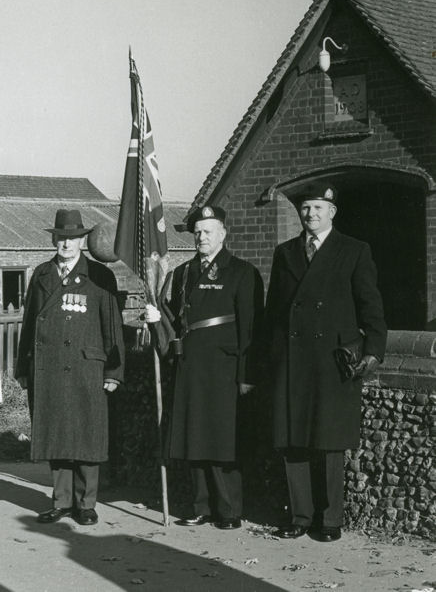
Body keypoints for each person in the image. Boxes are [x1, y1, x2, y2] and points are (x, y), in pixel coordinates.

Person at [265, 182, 386, 542]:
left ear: (332, 212)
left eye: (318, 208)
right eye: (305, 208)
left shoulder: (353, 250)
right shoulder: (285, 252)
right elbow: (274, 313)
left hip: (333, 362)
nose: (310, 214)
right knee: (293, 440)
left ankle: (330, 519)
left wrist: (373, 352)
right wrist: (270, 360)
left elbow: (371, 307)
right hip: (292, 361)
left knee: (329, 442)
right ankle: (300, 517)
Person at [145, 205, 263, 529]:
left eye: (208, 231)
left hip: (224, 368)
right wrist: (156, 319)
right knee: (194, 437)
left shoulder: (242, 272)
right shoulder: (183, 273)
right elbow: (172, 320)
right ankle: (201, 507)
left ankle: (229, 510)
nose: (201, 236)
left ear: (223, 233)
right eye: (197, 231)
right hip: (190, 367)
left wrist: (246, 375)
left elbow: (251, 328)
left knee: (223, 441)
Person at [15, 209, 124, 525]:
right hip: (48, 367)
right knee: (56, 436)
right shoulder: (41, 274)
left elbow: (112, 327)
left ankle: (86, 503)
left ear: (82, 240)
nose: (66, 244)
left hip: (86, 367)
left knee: (88, 437)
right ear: (54, 238)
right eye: (61, 238)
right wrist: (24, 367)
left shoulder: (100, 276)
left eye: (72, 238)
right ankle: (61, 501)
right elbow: (29, 324)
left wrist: (114, 372)